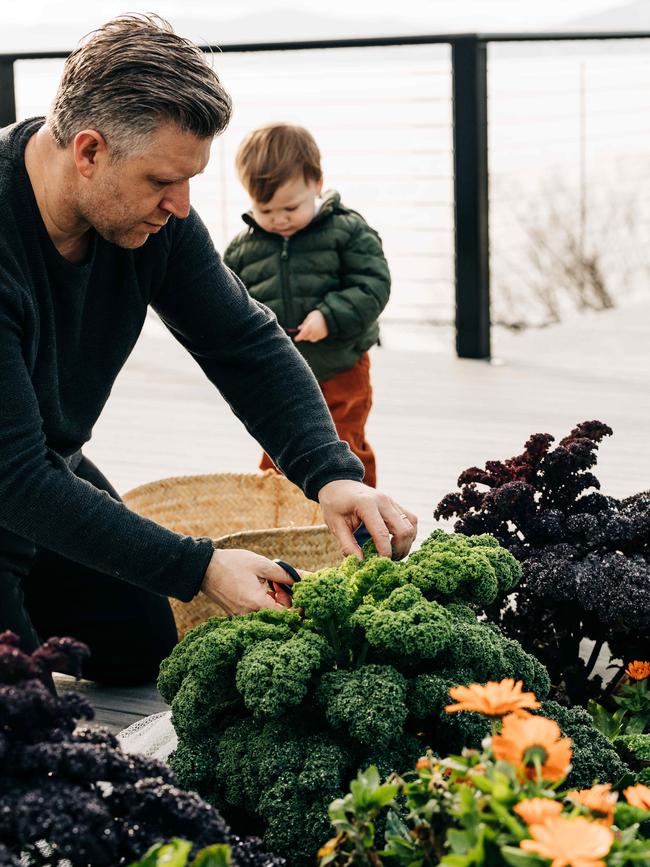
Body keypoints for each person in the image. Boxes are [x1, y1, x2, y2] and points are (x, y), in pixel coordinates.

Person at [0, 15, 417, 685]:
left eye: (192, 179)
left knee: (143, 642)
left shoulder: (149, 213)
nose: (182, 206)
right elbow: (13, 479)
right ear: (88, 152)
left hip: (40, 470)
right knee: (27, 726)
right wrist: (200, 565)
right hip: (12, 476)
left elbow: (242, 340)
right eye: (164, 181)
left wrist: (331, 472)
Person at [224, 124, 389, 489]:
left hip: (341, 366)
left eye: (290, 207)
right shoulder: (242, 251)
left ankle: (362, 524)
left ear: (317, 183)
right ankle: (282, 522)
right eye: (265, 209)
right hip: (279, 375)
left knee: (346, 444)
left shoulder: (347, 231)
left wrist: (329, 316)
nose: (279, 218)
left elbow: (372, 285)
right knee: (278, 449)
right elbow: (230, 305)